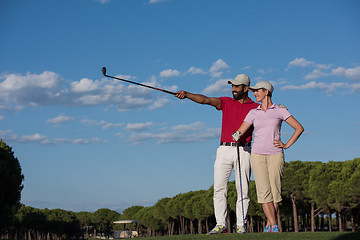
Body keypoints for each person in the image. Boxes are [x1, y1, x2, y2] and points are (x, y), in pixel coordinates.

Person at [174, 74, 259, 234]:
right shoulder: (226, 102)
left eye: (237, 86)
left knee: (243, 190)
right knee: (219, 188)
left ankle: (241, 225)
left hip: (244, 150)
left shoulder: (255, 107)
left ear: (246, 88)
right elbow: (205, 100)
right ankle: (221, 224)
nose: (233, 89)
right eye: (232, 86)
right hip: (224, 150)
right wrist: (187, 94)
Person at [232, 80, 304, 233]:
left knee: (275, 192)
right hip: (257, 155)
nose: (254, 93)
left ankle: (271, 224)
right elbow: (241, 129)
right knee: (263, 192)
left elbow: (299, 128)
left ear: (266, 91)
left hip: (275, 155)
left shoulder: (280, 110)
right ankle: (273, 224)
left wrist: (286, 144)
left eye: (257, 91)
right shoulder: (253, 112)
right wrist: (236, 135)